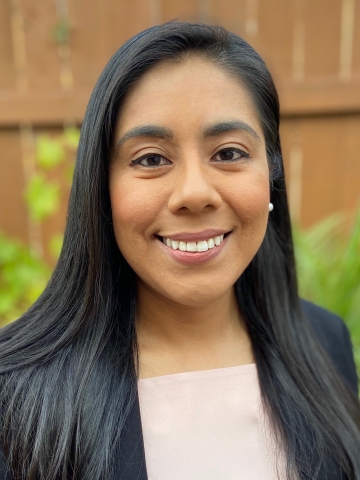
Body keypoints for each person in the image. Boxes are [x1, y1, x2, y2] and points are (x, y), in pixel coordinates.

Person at [0, 21, 359, 480]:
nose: (194, 193)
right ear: (101, 189)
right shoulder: (16, 394)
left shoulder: (324, 343)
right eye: (151, 159)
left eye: (228, 153)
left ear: (271, 174)